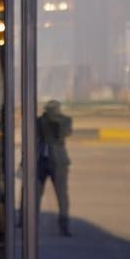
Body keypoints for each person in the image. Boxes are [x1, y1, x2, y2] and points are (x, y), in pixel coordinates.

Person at [37, 99, 73, 236]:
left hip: (58, 162)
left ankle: (64, 225)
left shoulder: (65, 120)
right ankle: (30, 223)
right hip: (41, 160)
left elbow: (63, 133)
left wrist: (52, 120)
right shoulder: (40, 121)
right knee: (35, 194)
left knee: (61, 194)